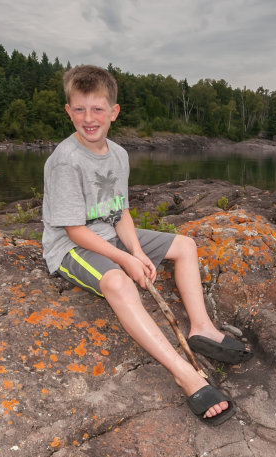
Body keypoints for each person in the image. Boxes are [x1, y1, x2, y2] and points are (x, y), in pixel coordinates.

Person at [42, 65, 251, 425]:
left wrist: (137, 252)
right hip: (71, 247)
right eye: (79, 109)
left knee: (185, 245)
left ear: (113, 112)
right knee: (119, 283)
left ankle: (200, 328)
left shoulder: (119, 155)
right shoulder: (66, 161)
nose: (89, 119)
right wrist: (125, 261)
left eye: (97, 109)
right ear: (68, 111)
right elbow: (75, 231)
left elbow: (120, 213)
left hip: (109, 236)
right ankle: (183, 373)